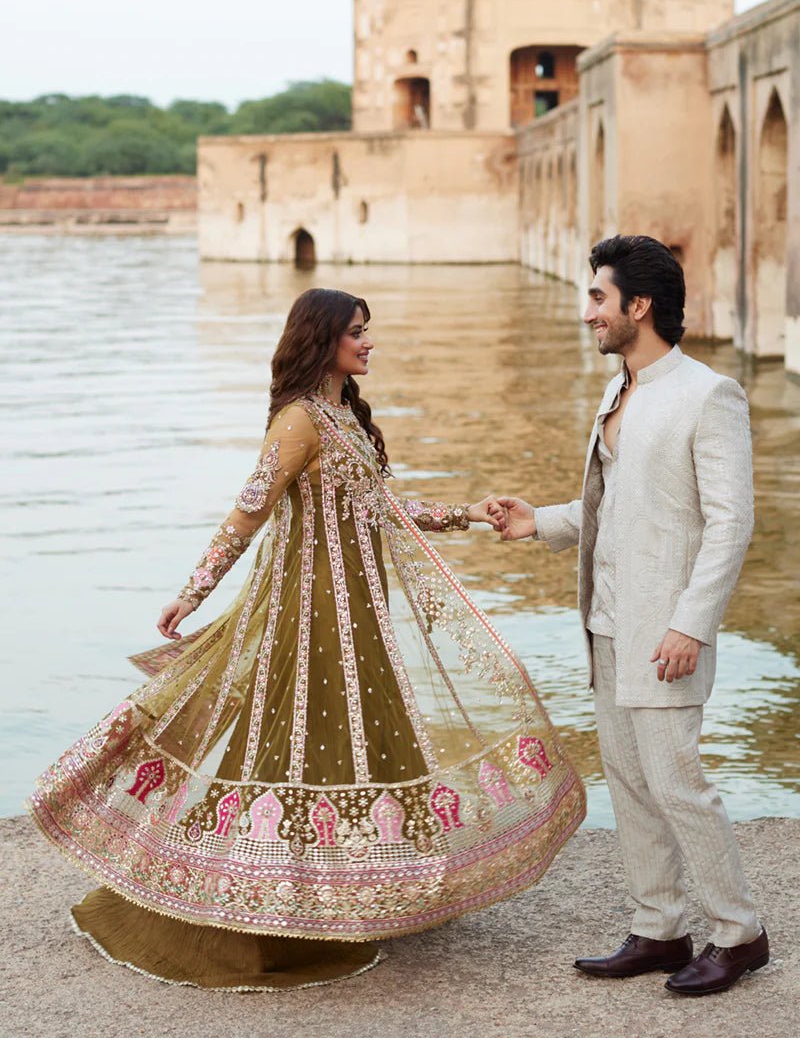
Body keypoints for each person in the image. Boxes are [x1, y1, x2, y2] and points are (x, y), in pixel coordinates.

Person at [29, 287, 585, 992]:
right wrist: (191, 594)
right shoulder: (298, 421)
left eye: (367, 332)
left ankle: (352, 891)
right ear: (323, 341)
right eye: (357, 333)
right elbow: (247, 513)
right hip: (312, 613)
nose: (369, 343)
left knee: (358, 745)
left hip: (361, 615)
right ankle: (262, 910)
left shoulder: (345, 415)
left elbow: (383, 509)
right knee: (299, 749)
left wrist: (466, 514)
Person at [492, 235, 769, 997]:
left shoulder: (707, 394)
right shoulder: (620, 392)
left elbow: (729, 523)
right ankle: (659, 929)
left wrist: (693, 623)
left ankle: (739, 935)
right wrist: (537, 522)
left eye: (597, 299)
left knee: (678, 782)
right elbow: (615, 508)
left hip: (666, 629)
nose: (587, 314)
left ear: (637, 306)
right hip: (608, 621)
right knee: (631, 781)